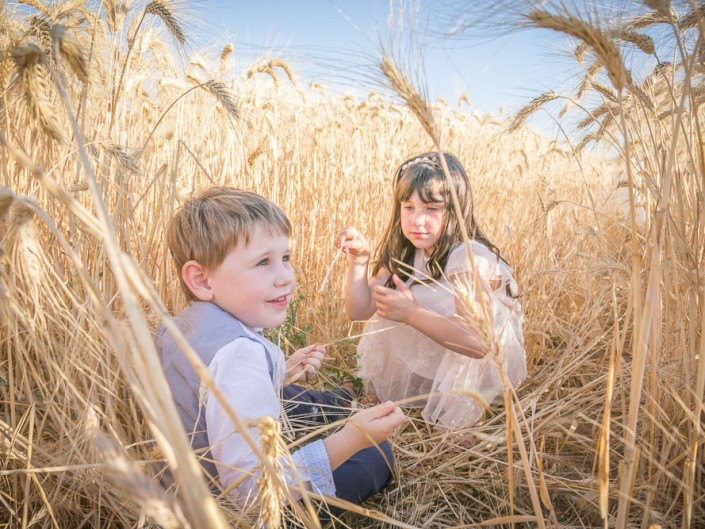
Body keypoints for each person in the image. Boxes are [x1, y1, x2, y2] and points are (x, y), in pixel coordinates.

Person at [155, 187, 405, 516]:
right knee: (375, 456)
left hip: (183, 488)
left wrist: (279, 372)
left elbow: (203, 399)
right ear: (201, 280)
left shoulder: (179, 326)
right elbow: (254, 491)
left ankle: (337, 403)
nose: (287, 277)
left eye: (285, 258)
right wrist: (353, 438)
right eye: (263, 263)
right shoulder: (239, 355)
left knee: (300, 397)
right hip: (232, 514)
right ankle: (351, 421)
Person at [335, 152, 527, 429]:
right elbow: (359, 311)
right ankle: (402, 392)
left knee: (402, 307)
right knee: (391, 305)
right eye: (408, 207)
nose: (417, 220)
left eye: (431, 208)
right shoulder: (406, 251)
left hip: (477, 367)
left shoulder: (467, 258)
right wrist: (359, 259)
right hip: (439, 352)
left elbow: (479, 343)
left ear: (455, 210)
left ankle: (459, 415)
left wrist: (412, 313)